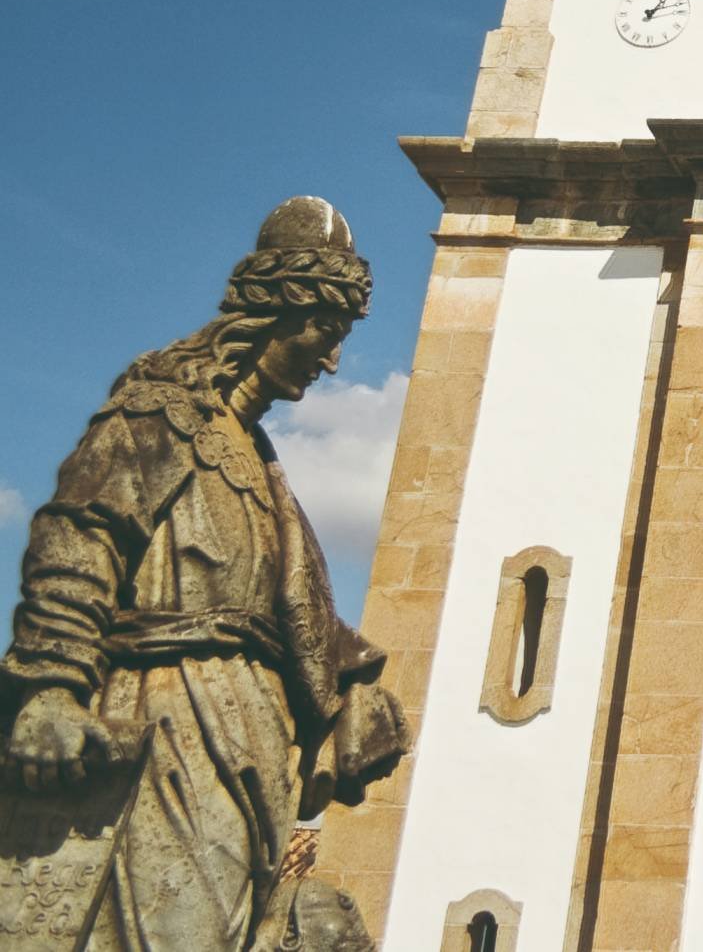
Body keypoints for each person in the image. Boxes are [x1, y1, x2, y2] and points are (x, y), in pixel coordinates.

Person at [1, 197, 405, 950]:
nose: (332, 361)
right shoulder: (160, 412)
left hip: (250, 735)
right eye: (326, 331)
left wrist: (353, 682)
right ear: (274, 313)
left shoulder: (254, 458)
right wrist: (52, 686)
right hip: (169, 710)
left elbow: (288, 605)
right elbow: (79, 536)